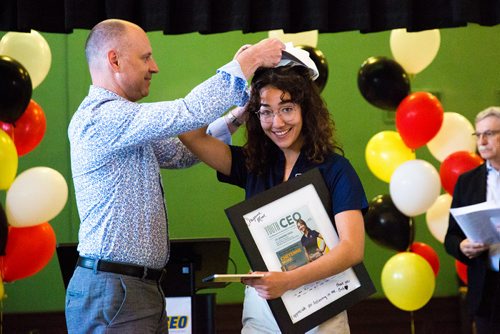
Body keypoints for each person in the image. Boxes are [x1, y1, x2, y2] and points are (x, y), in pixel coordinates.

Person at [65, 18, 284, 333]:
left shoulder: (124, 124)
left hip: (135, 288)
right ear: (113, 59)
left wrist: (241, 113)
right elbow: (189, 111)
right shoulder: (102, 117)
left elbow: (182, 154)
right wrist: (247, 62)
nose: (154, 67)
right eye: (145, 57)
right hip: (115, 290)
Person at [179, 59, 368, 333]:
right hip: (263, 305)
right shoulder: (253, 163)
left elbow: (352, 249)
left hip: (322, 305)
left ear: (307, 111)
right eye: (266, 112)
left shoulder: (335, 169)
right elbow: (189, 133)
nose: (277, 122)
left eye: (287, 109)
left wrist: (289, 281)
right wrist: (243, 109)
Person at [444, 106, 500, 334]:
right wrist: (461, 246)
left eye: (490, 133)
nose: (483, 141)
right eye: (479, 135)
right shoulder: (467, 182)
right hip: (488, 291)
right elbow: (451, 237)